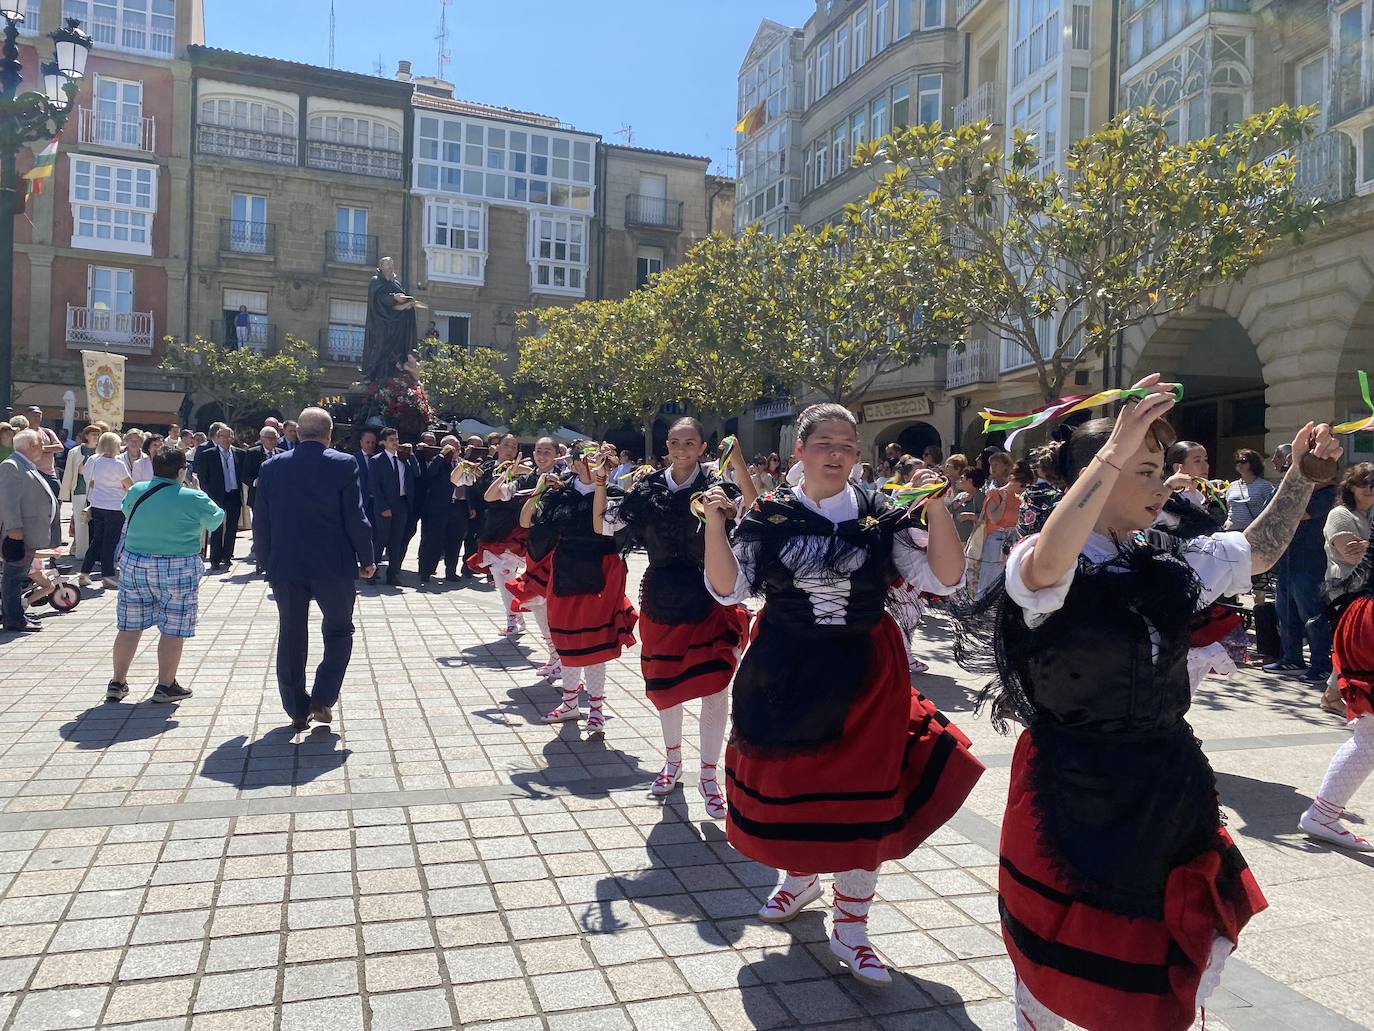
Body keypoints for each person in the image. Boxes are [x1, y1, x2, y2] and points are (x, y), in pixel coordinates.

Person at [978, 379, 1338, 1031]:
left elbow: (1253, 551)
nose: (1161, 484)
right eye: (1145, 469)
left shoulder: (1162, 556)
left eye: (1160, 469)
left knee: (1184, 932)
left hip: (1165, 780)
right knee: (1059, 946)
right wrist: (1115, 447)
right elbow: (1047, 565)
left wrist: (1302, 479)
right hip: (1071, 787)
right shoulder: (1042, 560)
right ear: (1098, 470)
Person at [702, 403, 982, 988]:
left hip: (866, 671)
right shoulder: (770, 516)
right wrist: (712, 522)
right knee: (798, 787)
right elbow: (730, 589)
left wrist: (936, 509)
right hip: (785, 666)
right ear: (799, 450)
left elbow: (947, 578)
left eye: (848, 444)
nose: (836, 452)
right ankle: (800, 879)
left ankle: (851, 928)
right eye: (824, 441)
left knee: (861, 800)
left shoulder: (882, 514)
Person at [596, 418, 757, 815]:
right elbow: (604, 523)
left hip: (712, 595)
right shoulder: (647, 486)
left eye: (690, 442)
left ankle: (708, 774)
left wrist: (738, 465)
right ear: (667, 445)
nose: (682, 448)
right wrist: (600, 482)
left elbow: (755, 514)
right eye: (675, 442)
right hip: (662, 599)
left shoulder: (718, 485)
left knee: (715, 689)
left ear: (703, 446)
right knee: (665, 687)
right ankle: (671, 762)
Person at [253, 407, 376, 730]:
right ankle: (322, 697)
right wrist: (367, 558)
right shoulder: (343, 464)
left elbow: (260, 521)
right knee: (339, 630)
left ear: (296, 433)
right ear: (329, 435)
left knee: (292, 634)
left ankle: (296, 708)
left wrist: (266, 561)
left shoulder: (271, 467)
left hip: (286, 564)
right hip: (333, 564)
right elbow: (355, 517)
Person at [521, 443, 638, 735]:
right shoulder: (560, 492)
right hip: (566, 569)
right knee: (567, 640)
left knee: (596, 645)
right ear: (572, 462)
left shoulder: (615, 494)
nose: (588, 463)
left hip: (601, 571)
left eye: (595, 458)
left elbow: (604, 529)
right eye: (581, 458)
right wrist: (539, 488)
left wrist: (601, 480)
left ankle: (596, 710)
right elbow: (525, 521)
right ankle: (570, 703)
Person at [107, 448, 225, 705]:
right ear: (182, 470)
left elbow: (127, 511)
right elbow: (216, 520)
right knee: (174, 628)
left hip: (136, 563)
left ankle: (117, 682)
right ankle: (165, 685)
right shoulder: (194, 497)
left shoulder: (137, 490)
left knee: (129, 625)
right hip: (179, 565)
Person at [1300, 463, 1374, 850]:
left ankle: (1324, 812)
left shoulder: (1368, 516)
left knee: (1369, 733)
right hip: (1360, 612)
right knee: (1370, 735)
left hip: (1363, 616)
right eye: (1368, 483)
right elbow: (1350, 559)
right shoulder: (1342, 515)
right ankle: (1323, 814)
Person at [1264, 442, 1336, 680]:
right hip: (1287, 561)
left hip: (1310, 563)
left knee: (1312, 616)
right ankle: (1291, 658)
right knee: (1285, 613)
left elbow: (1295, 514)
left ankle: (1320, 664)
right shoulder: (1287, 489)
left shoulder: (1328, 494)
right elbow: (1270, 512)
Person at [502, 437, 563, 674]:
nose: (541, 455)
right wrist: (508, 472)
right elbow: (492, 495)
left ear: (557, 454)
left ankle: (562, 660)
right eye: (538, 451)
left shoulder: (565, 479)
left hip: (556, 552)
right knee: (538, 607)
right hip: (534, 549)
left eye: (547, 451)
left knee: (551, 607)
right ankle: (554, 655)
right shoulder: (528, 478)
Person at [473, 434, 532, 635]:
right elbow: (479, 492)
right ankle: (517, 618)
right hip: (491, 527)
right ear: (497, 447)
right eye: (506, 445)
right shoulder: (488, 468)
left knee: (504, 576)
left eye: (514, 446)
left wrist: (517, 470)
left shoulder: (524, 472)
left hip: (514, 529)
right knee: (501, 579)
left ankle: (513, 620)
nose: (510, 449)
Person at [1, 430, 57, 633]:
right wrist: (14, 530)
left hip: (27, 533)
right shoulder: (12, 465)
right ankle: (14, 619)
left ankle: (14, 615)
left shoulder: (23, 464)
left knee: (17, 576)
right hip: (18, 534)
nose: (43, 448)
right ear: (31, 446)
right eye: (41, 444)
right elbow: (8, 501)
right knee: (13, 577)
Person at [80, 432, 133, 589]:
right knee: (110, 542)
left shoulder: (95, 461)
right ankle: (108, 575)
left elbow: (90, 481)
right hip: (115, 506)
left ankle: (84, 572)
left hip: (97, 504)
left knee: (97, 540)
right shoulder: (118, 464)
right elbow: (130, 485)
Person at [417, 435, 470, 585]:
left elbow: (470, 486)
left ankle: (451, 571)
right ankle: (426, 571)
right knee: (434, 540)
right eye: (453, 447)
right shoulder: (438, 461)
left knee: (455, 540)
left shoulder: (462, 463)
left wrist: (470, 506)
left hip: (459, 506)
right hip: (440, 507)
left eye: (459, 445)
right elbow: (430, 473)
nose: (457, 449)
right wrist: (441, 455)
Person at [194, 425, 246, 571]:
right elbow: (203, 477)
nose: (225, 439)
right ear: (217, 438)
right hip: (216, 495)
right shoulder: (208, 454)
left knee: (231, 527)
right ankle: (215, 558)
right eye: (222, 436)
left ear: (232, 438)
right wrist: (208, 494)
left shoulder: (240, 454)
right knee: (216, 527)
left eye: (228, 436)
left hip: (234, 494)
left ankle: (227, 555)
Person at [361, 256, 419, 384]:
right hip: (380, 325)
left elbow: (396, 308)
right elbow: (378, 299)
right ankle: (370, 375)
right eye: (388, 265)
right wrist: (393, 298)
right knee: (379, 349)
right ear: (381, 267)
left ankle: (393, 376)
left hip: (395, 327)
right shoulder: (375, 281)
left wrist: (407, 305)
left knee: (395, 353)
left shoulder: (395, 284)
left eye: (392, 264)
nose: (390, 267)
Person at [369, 428, 413, 586]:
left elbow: (416, 474)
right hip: (384, 505)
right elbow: (375, 486)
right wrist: (383, 507)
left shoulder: (403, 458)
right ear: (384, 442)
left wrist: (411, 456)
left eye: (396, 439)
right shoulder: (376, 460)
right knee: (381, 539)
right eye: (391, 440)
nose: (395, 442)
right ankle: (372, 573)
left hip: (401, 504)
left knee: (396, 541)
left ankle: (392, 574)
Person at [59, 425, 101, 566]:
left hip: (98, 492)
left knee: (95, 523)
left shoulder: (102, 451)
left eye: (98, 434)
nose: (96, 437)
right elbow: (73, 472)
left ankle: (95, 553)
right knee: (81, 522)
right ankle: (82, 553)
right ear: (86, 435)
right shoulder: (75, 451)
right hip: (80, 489)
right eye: (93, 434)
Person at [1224, 448, 1277, 531]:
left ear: (1253, 463)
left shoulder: (1264, 485)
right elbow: (1229, 507)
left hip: (1251, 531)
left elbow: (1273, 508)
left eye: (1243, 461)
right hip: (1230, 530)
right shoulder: (1232, 485)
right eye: (1237, 461)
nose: (1239, 464)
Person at [353, 427, 379, 574]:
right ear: (361, 442)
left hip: (376, 502)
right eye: (367, 442)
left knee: (375, 534)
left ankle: (372, 563)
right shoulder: (354, 459)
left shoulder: (379, 459)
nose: (370, 445)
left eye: (373, 442)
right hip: (361, 502)